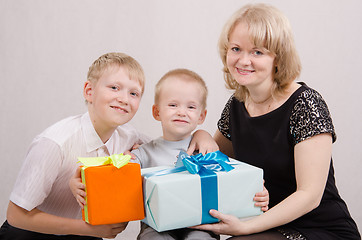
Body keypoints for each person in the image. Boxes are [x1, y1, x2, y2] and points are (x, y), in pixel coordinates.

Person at [189, 3, 361, 240]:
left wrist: (246, 227)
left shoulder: (305, 103)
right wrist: (202, 135)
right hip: (264, 226)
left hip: (319, 228)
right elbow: (217, 160)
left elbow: (309, 196)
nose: (243, 60)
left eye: (257, 52)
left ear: (278, 59)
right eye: (236, 48)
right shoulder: (237, 103)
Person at [70, 68, 269, 240]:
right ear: (157, 112)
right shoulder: (144, 151)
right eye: (173, 105)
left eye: (190, 107)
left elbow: (231, 179)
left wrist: (255, 190)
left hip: (200, 222)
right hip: (157, 225)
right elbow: (113, 171)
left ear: (201, 116)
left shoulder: (206, 150)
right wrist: (81, 176)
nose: (182, 112)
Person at [0, 52, 150, 240]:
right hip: (29, 233)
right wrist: (91, 230)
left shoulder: (130, 137)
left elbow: (167, 148)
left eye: (133, 93)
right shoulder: (55, 143)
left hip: (82, 233)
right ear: (89, 91)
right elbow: (15, 215)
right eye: (114, 87)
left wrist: (199, 135)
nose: (124, 99)